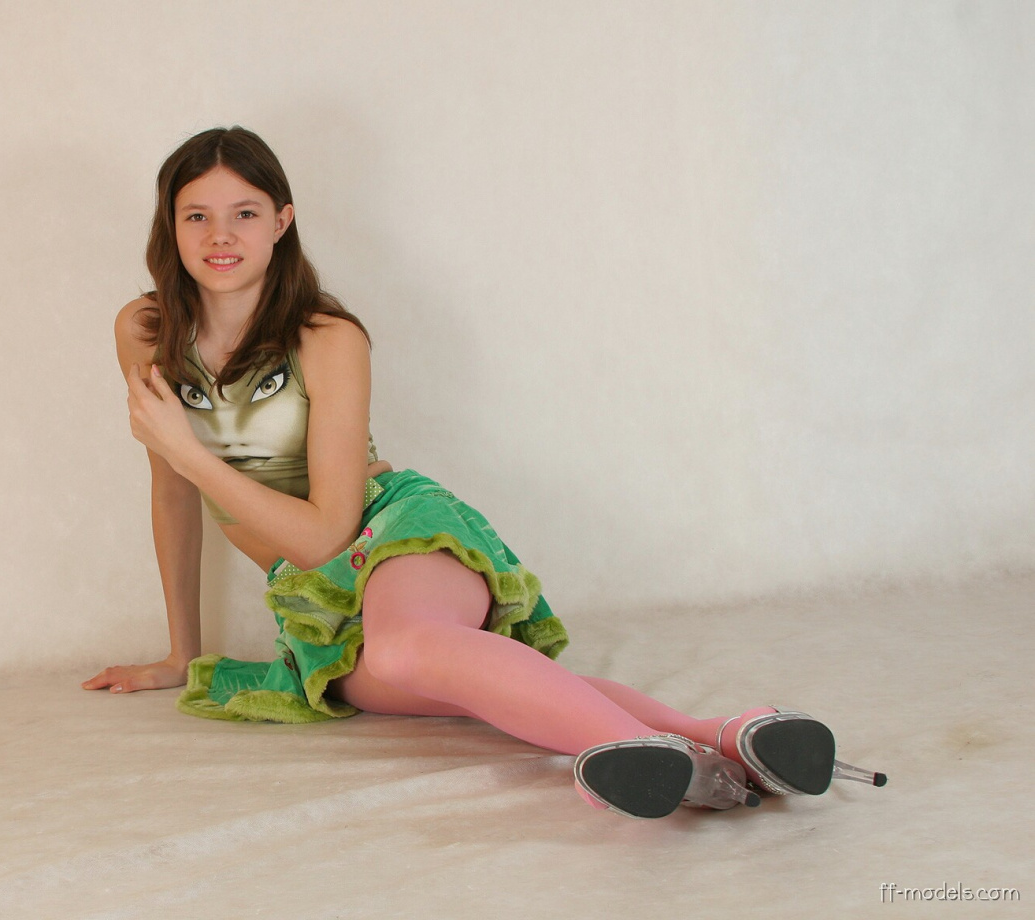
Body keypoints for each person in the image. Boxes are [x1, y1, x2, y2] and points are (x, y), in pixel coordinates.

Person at [83, 126, 886, 819]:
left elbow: (326, 530)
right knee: (457, 685)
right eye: (197, 215)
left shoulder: (327, 336)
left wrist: (190, 451)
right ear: (170, 225)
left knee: (406, 651)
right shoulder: (145, 330)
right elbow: (172, 492)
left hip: (388, 534)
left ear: (282, 221)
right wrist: (181, 653)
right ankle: (722, 738)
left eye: (245, 213)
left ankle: (632, 756)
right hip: (313, 600)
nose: (220, 236)